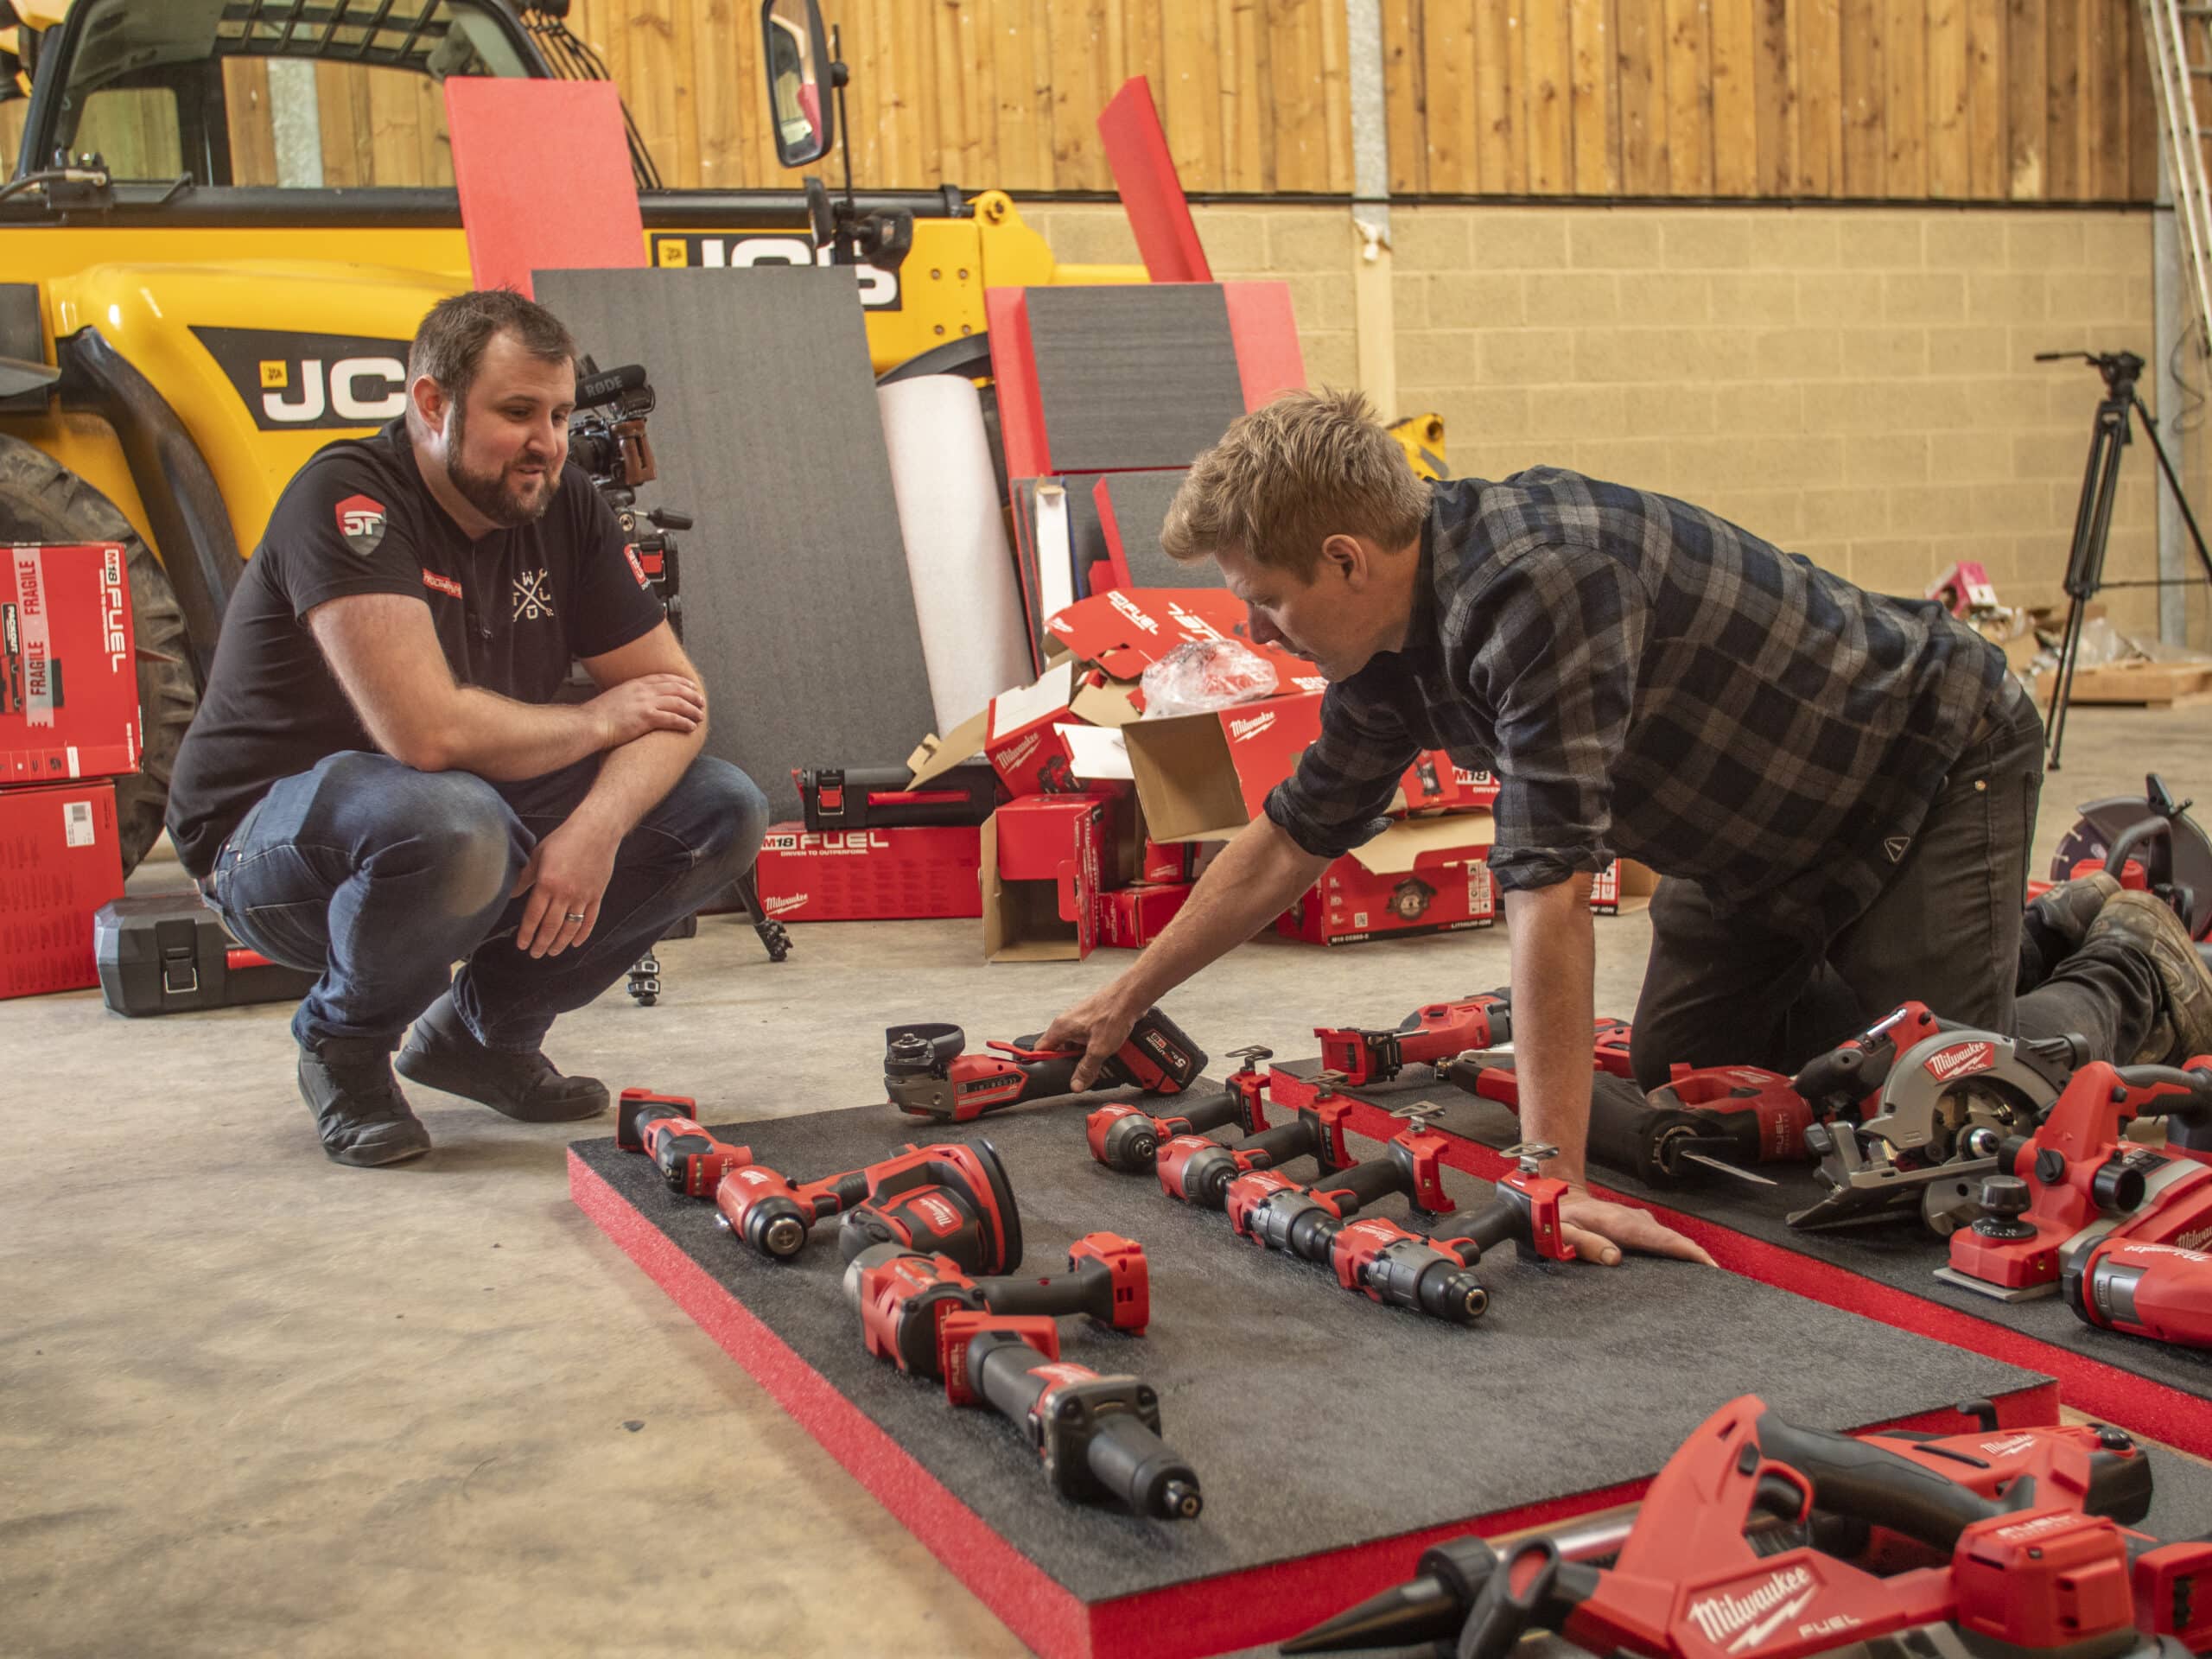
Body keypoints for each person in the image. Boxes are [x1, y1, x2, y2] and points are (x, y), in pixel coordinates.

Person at [1040, 389, 2212, 1265]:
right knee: (1687, 1087)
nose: (1257, 626)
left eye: (1267, 596)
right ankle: (2036, 923)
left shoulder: (1535, 584)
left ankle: (2134, 960)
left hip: (1925, 757)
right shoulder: (1386, 651)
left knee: (1924, 1112)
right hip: (1754, 838)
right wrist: (1128, 996)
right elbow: (1292, 839)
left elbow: (1547, 889)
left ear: (1347, 559)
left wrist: (1549, 1173)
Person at [165, 289, 769, 1167]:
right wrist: (601, 718)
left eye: (559, 414)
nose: (548, 444)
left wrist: (595, 829)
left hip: (461, 816)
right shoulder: (349, 498)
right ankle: (345, 1047)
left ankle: (483, 1037)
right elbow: (427, 735)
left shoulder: (563, 507)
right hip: (273, 848)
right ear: (432, 404)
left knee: (720, 806)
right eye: (517, 413)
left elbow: (675, 700)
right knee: (453, 818)